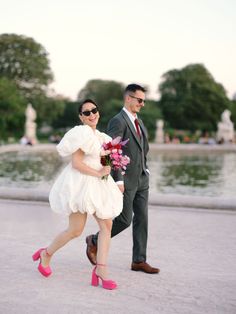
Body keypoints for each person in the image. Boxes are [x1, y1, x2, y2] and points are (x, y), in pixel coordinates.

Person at [32, 99, 123, 290]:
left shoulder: (104, 138)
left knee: (107, 226)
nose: (92, 115)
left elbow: (106, 161)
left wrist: (109, 168)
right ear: (81, 117)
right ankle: (46, 254)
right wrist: (98, 173)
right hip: (81, 184)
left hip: (100, 185)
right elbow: (77, 163)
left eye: (94, 111)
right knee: (75, 230)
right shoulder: (82, 134)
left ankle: (101, 269)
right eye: (87, 113)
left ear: (99, 112)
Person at [86, 84, 160, 274]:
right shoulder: (117, 121)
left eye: (144, 100)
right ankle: (94, 240)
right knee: (125, 220)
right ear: (128, 98)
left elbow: (144, 148)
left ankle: (139, 261)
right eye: (140, 100)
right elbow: (109, 151)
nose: (142, 104)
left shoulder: (139, 122)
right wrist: (117, 180)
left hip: (142, 178)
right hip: (125, 181)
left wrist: (146, 170)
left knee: (142, 219)